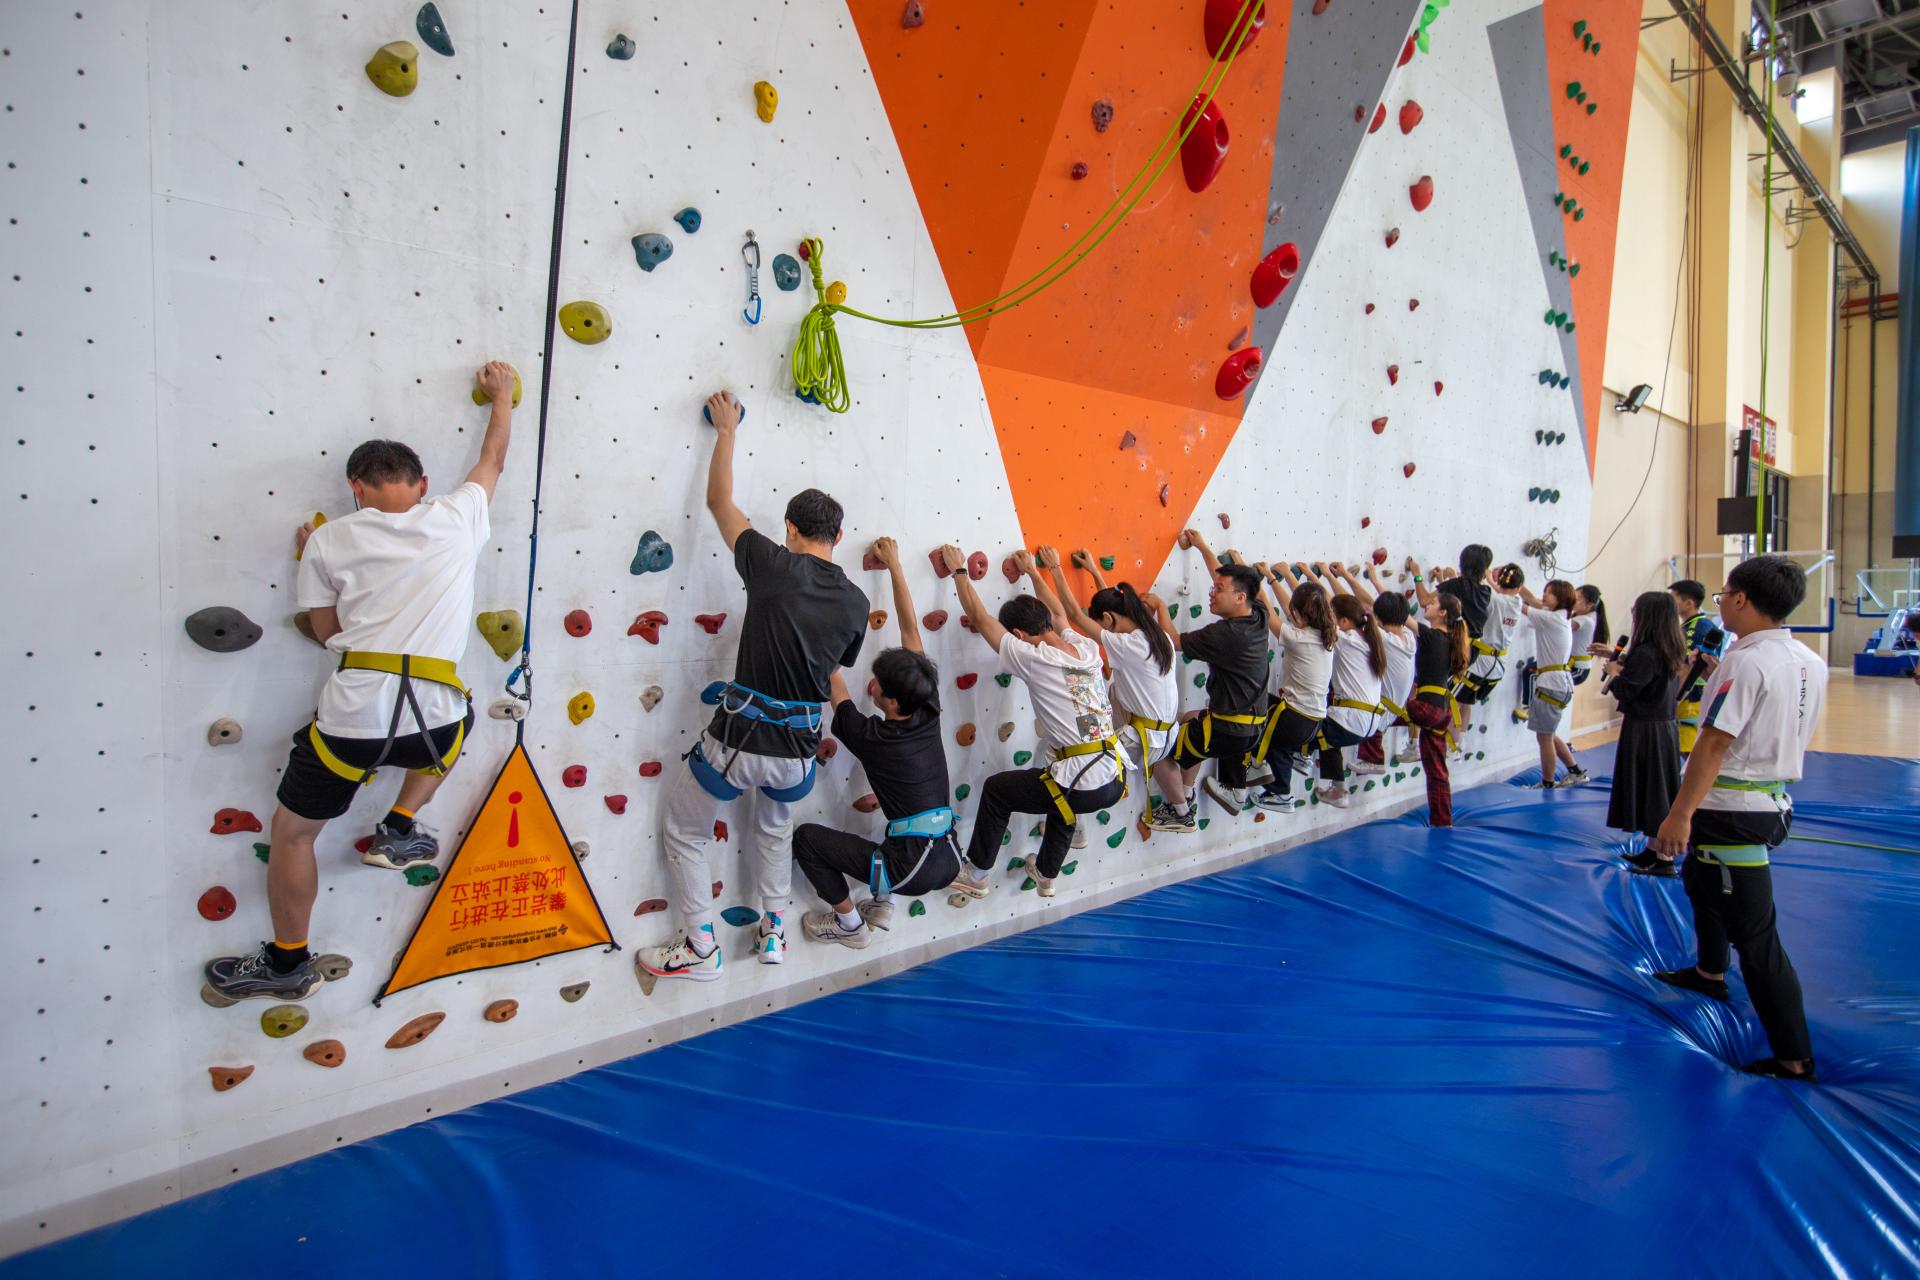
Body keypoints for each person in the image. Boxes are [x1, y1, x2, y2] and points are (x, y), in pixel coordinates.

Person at [201, 362, 518, 1005]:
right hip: (433, 724)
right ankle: (400, 825)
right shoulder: (456, 516)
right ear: (422, 484)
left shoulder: (327, 541)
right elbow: (493, 459)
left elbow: (326, 633)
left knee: (293, 834)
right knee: (461, 720)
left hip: (354, 725)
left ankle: (289, 963)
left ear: (356, 487)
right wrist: (502, 397)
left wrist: (318, 555)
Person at [639, 391, 869, 984]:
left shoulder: (771, 563)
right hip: (798, 753)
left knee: (685, 831)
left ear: (790, 528)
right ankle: (772, 933)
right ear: (839, 535)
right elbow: (834, 668)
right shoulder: (856, 601)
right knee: (773, 828)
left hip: (740, 740)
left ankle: (701, 945)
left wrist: (726, 430)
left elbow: (720, 503)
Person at [1650, 556, 1828, 1081]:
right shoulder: (1807, 660)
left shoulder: (1746, 662)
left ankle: (1793, 1057)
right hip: (1766, 802)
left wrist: (1679, 813)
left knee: (1757, 937)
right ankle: (1709, 971)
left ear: (1743, 600)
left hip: (1733, 810)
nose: (1721, 602)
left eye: (1725, 594)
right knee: (1700, 880)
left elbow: (1714, 743)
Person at [794, 539, 958, 948]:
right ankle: (882, 902)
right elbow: (910, 631)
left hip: (911, 869)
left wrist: (813, 625)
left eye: (878, 685)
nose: (871, 684)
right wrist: (895, 566)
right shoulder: (928, 706)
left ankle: (848, 925)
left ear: (892, 702)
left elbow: (834, 681)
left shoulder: (873, 737)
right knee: (897, 830)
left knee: (806, 840)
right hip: (949, 856)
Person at [944, 547, 1123, 901]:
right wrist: (1034, 572)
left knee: (998, 791)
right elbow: (1059, 613)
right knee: (1058, 785)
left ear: (1019, 634)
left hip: (1084, 783)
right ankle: (1046, 873)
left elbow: (979, 618)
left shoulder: (1033, 657)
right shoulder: (1084, 649)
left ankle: (976, 873)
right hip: (1114, 776)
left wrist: (958, 571)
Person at [1044, 546, 1186, 830]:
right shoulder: (1156, 635)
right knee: (1108, 696)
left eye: (1103, 625)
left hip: (1142, 742)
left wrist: (1055, 568)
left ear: (1108, 619)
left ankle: (1072, 828)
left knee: (1073, 754)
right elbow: (1114, 608)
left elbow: (1073, 615)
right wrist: (1095, 572)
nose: (1104, 632)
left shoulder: (1128, 644)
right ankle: (1182, 809)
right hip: (1164, 736)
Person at [1162, 529, 1270, 827]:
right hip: (1251, 727)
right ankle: (1188, 791)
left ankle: (1179, 812)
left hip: (1228, 730)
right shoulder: (1257, 615)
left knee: (1160, 749)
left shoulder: (1225, 634)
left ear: (1239, 597)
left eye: (1218, 590)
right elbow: (1221, 576)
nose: (1212, 592)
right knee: (1190, 720)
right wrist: (1201, 546)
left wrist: (1158, 607)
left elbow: (1174, 641)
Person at [1243, 561, 1336, 814]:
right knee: (1280, 745)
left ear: (1299, 613)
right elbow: (1288, 608)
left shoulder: (1299, 638)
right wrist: (1272, 577)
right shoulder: (1327, 634)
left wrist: (1253, 576)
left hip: (1295, 717)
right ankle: (1282, 789)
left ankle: (1250, 779)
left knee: (1249, 708)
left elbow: (1269, 611)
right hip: (1314, 721)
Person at [1605, 592, 1687, 865]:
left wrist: (1614, 674)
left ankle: (1662, 858)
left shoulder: (1646, 652)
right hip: (1662, 727)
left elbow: (1627, 690)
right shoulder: (1670, 649)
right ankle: (1655, 849)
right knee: (1656, 789)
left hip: (1645, 731)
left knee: (1651, 790)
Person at [1309, 578, 1388, 808]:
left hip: (1352, 721)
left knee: (1297, 730)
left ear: (1343, 621)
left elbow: (1310, 610)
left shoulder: (1345, 639)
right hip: (1369, 725)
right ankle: (1338, 788)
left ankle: (1298, 760)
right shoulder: (1371, 640)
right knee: (1327, 732)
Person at [1402, 583, 1474, 827]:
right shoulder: (1448, 640)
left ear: (1442, 613)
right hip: (1439, 708)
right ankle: (1442, 819)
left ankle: (1373, 750)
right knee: (1436, 769)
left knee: (1379, 716)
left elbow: (1401, 615)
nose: (1427, 605)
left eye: (1432, 604)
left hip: (1427, 708)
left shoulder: (1434, 637)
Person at [1513, 577, 1588, 788]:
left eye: (1550, 592)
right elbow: (1533, 601)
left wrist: (1496, 585)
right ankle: (1575, 771)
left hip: (1552, 685)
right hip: (1558, 684)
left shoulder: (1551, 619)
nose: (1544, 595)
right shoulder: (1559, 616)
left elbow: (1519, 605)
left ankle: (1547, 783)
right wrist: (1518, 585)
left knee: (1544, 738)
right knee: (1550, 734)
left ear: (1561, 599)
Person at [1351, 562, 1419, 775]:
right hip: (1399, 704)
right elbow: (1372, 605)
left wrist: (1344, 577)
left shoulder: (1386, 639)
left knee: (1371, 723)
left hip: (1385, 707)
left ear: (1379, 618)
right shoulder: (1408, 637)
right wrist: (1373, 580)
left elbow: (1357, 609)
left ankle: (1374, 760)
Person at [1435, 545, 1496, 739]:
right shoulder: (1485, 591)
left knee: (1451, 698)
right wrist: (1446, 581)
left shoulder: (1458, 585)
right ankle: (1456, 744)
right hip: (1473, 651)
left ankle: (1450, 743)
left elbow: (1426, 599)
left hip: (1457, 647)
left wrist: (1418, 576)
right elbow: (1461, 599)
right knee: (1462, 699)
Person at [1670, 579, 1726, 755]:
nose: (1670, 603)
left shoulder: (1697, 628)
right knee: (1681, 745)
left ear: (1688, 603)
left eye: (1673, 599)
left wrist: (1676, 698)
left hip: (1691, 695)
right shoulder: (1688, 626)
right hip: (1687, 693)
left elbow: (1688, 668)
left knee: (1687, 746)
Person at [1570, 584, 1609, 686]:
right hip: (1573, 665)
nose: (1572, 600)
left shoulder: (1585, 619)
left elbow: (1560, 625)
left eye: (1576, 599)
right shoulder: (1587, 615)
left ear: (1590, 605)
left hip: (1578, 669)